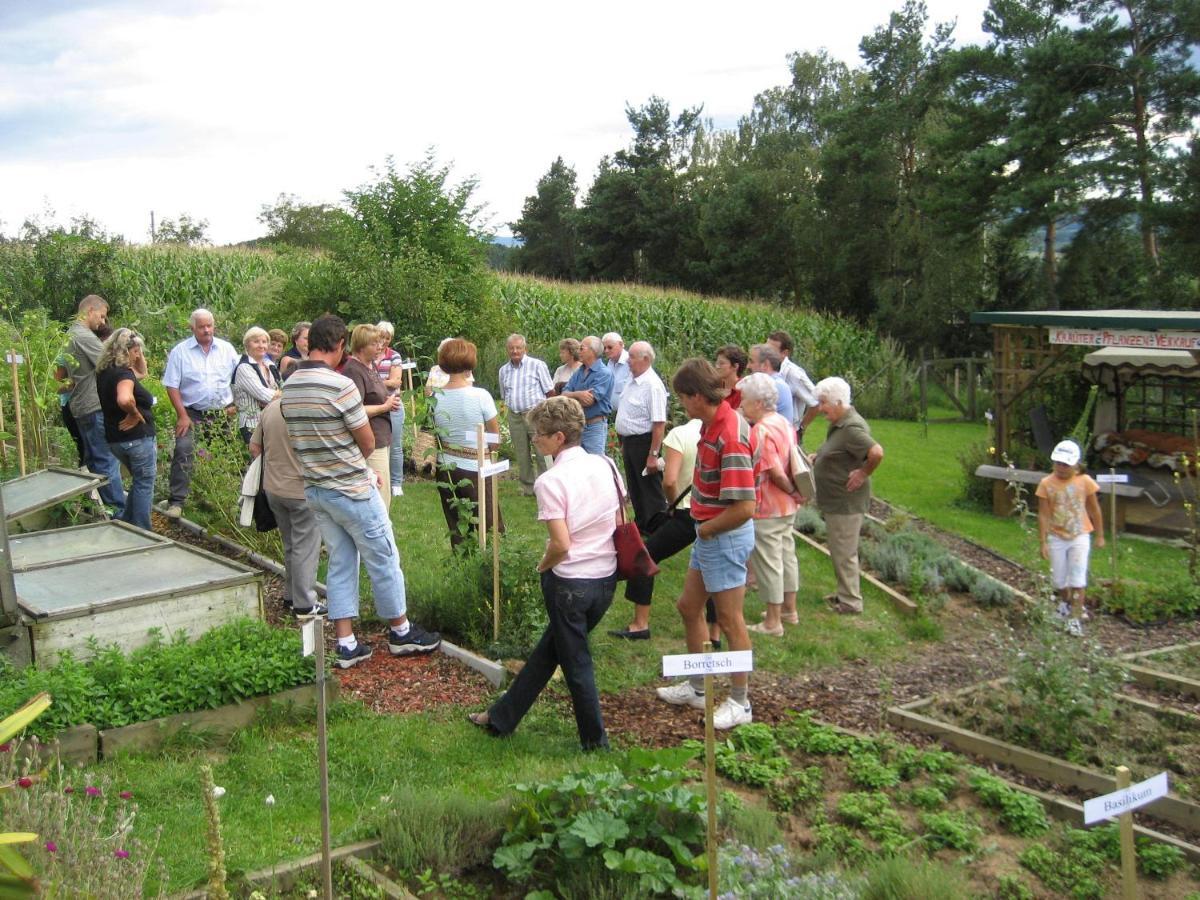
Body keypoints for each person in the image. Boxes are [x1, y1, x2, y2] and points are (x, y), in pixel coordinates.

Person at [281, 314, 439, 667]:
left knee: (340, 562)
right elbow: (367, 442)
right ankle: (400, 631)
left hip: (317, 489)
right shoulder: (340, 386)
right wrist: (358, 467)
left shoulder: (290, 385)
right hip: (351, 488)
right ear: (339, 346)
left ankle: (347, 643)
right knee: (383, 555)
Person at [467, 397, 620, 751]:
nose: (535, 438)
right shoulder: (607, 465)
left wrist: (543, 566)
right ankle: (502, 717)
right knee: (551, 650)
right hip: (607, 580)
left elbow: (561, 544)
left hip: (570, 583)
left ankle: (595, 743)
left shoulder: (551, 481)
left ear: (560, 438)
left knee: (575, 662)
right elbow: (617, 518)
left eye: (540, 434)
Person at [656, 358, 758, 730]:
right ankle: (699, 689)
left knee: (730, 620)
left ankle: (740, 702)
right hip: (709, 532)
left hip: (723, 536)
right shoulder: (712, 424)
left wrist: (710, 529)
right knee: (688, 607)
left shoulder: (729, 435)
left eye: (683, 398)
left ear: (698, 396)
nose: (681, 405)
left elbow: (746, 507)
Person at [610, 415, 723, 648]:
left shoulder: (680, 435)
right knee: (713, 566)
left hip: (686, 512)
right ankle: (715, 632)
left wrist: (672, 506)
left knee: (646, 556)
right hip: (715, 512)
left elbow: (669, 481)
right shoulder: (721, 433)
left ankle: (640, 624)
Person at [812, 376, 884, 615]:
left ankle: (851, 602)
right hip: (836, 500)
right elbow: (838, 451)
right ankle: (844, 594)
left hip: (846, 501)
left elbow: (876, 452)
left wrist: (863, 473)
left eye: (824, 403)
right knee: (839, 549)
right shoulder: (841, 424)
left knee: (844, 551)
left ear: (839, 402)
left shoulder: (852, 427)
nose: (820, 408)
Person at [738, 373, 801, 635]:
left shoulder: (761, 430)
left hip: (769, 507)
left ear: (759, 403)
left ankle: (773, 622)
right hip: (787, 508)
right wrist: (795, 495)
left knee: (769, 561)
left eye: (745, 401)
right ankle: (789, 609)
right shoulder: (784, 423)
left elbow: (774, 470)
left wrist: (791, 490)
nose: (741, 405)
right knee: (787, 555)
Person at [162, 308, 240, 519]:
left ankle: (218, 501)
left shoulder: (226, 349)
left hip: (222, 413)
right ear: (192, 328)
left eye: (209, 326)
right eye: (202, 327)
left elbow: (240, 378)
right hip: (191, 413)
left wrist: (236, 403)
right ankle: (177, 501)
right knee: (184, 450)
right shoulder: (181, 352)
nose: (206, 330)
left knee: (223, 455)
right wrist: (182, 415)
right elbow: (171, 385)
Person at [250, 399, 325, 617]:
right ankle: (305, 603)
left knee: (290, 544)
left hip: (274, 489)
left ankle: (290, 595)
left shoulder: (271, 408)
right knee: (306, 547)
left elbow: (254, 447)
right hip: (302, 489)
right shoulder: (308, 408)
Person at [430, 338, 504, 550]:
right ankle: (490, 568)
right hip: (477, 468)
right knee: (490, 526)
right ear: (470, 362)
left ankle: (462, 567)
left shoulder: (435, 396)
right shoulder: (481, 396)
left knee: (457, 525)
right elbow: (495, 439)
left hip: (446, 469)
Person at [64, 295, 126, 517]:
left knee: (93, 462)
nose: (103, 322)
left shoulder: (71, 334)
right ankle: (118, 514)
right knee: (106, 460)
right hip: (93, 406)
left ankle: (100, 510)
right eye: (101, 316)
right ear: (90, 310)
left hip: (81, 406)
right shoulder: (83, 336)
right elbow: (110, 362)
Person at [1037, 439, 1104, 637]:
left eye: (1066, 464)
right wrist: (1043, 542)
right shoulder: (1046, 484)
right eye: (1058, 463)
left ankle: (1074, 618)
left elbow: (1094, 508)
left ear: (1076, 464)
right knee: (1059, 581)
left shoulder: (1084, 482)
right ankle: (1066, 603)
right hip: (1057, 536)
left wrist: (1099, 534)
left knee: (1077, 578)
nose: (1061, 468)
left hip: (1080, 535)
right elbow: (1043, 514)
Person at [95, 328, 156, 531]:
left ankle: (127, 525)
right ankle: (141, 531)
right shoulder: (123, 375)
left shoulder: (106, 371)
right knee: (144, 483)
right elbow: (125, 398)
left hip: (116, 440)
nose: (139, 355)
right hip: (136, 439)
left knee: (139, 482)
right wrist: (134, 413)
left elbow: (143, 372)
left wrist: (137, 349)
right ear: (127, 350)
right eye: (136, 350)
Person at [343, 324, 400, 511]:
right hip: (370, 439)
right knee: (379, 495)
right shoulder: (353, 369)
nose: (380, 346)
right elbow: (354, 409)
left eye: (381, 342)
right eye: (374, 343)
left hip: (382, 435)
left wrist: (388, 401)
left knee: (383, 492)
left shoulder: (371, 365)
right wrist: (384, 406)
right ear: (360, 345)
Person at [614, 340, 668, 530]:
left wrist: (653, 455)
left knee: (649, 488)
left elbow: (659, 423)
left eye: (632, 357)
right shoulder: (632, 380)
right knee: (635, 487)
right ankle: (643, 523)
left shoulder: (653, 386)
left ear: (645, 359)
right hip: (630, 443)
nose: (628, 360)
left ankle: (658, 526)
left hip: (644, 442)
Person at [498, 334, 554, 496]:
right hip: (514, 415)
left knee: (544, 451)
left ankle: (548, 487)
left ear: (525, 349)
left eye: (518, 348)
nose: (515, 351)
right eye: (511, 348)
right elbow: (504, 394)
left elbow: (550, 391)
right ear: (507, 350)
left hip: (536, 415)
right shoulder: (503, 370)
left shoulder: (537, 365)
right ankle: (528, 488)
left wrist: (549, 415)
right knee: (522, 454)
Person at [561, 336, 614, 455]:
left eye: (581, 348)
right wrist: (579, 394)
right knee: (578, 464)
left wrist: (571, 397)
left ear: (593, 351)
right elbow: (564, 394)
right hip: (577, 426)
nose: (578, 351)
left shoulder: (604, 373)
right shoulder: (579, 371)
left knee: (595, 465)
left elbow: (589, 401)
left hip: (594, 426)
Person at [373, 321, 408, 498]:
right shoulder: (369, 354)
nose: (384, 341)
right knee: (377, 446)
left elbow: (396, 382)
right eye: (381, 336)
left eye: (387, 338)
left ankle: (396, 483)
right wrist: (383, 383)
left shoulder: (394, 356)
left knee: (395, 445)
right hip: (374, 406)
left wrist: (371, 382)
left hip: (393, 405)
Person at [768, 330, 819, 445]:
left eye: (771, 350)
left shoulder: (794, 373)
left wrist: (801, 428)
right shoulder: (768, 368)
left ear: (784, 353)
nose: (766, 352)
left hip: (788, 433)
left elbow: (816, 402)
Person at [232, 326, 281, 443]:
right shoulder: (244, 367)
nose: (261, 345)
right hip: (252, 423)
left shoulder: (269, 365)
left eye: (264, 342)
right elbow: (264, 395)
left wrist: (279, 394)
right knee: (258, 459)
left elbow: (279, 388)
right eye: (256, 342)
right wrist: (282, 395)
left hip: (269, 422)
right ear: (247, 345)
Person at [747, 344, 794, 424]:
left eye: (751, 361)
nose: (748, 366)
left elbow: (749, 416)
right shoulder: (777, 383)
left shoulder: (773, 386)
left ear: (765, 365)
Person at [602, 332, 632, 411]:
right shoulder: (610, 363)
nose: (606, 351)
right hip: (611, 414)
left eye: (610, 347)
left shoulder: (631, 362)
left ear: (621, 344)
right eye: (604, 348)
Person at [715, 345, 749, 411]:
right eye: (716, 363)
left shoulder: (744, 391)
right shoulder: (714, 388)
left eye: (721, 363)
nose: (717, 366)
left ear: (735, 366)